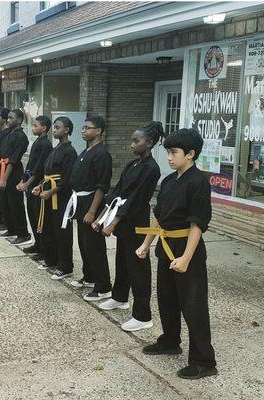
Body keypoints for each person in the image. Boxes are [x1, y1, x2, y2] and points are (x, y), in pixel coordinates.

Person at [135, 128, 217, 380]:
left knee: (193, 305)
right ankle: (170, 340)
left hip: (186, 250)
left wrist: (186, 258)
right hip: (166, 247)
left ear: (190, 154)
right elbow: (159, 217)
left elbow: (197, 225)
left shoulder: (198, 182)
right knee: (167, 300)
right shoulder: (169, 181)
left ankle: (204, 360)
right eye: (168, 152)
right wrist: (146, 243)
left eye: (174, 152)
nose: (169, 157)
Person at [92, 122, 163, 331]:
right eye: (132, 140)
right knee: (122, 262)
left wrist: (112, 224)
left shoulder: (151, 169)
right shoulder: (133, 165)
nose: (132, 144)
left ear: (149, 143)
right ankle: (119, 297)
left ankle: (143, 316)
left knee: (138, 270)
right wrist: (101, 217)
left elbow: (135, 200)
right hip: (123, 223)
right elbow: (117, 193)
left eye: (136, 140)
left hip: (136, 224)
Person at [65, 116, 112, 299]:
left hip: (92, 202)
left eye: (87, 128)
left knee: (94, 246)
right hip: (80, 200)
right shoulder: (86, 151)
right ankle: (90, 276)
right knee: (84, 244)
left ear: (98, 130)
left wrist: (92, 211)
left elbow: (101, 185)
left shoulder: (101, 154)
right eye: (83, 127)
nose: (83, 130)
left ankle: (103, 286)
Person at [32, 116, 77, 280]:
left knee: (62, 231)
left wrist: (51, 191)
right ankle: (51, 259)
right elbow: (48, 174)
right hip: (49, 192)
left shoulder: (70, 151)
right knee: (49, 228)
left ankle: (65, 266)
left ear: (66, 130)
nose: (55, 130)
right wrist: (40, 185)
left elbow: (67, 177)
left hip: (62, 197)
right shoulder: (56, 148)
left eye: (58, 127)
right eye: (55, 127)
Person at [16, 115, 53, 257]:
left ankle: (43, 248)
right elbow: (30, 165)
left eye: (36, 125)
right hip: (31, 184)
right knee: (32, 215)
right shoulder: (38, 141)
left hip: (38, 186)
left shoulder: (45, 144)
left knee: (39, 218)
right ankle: (37, 244)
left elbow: (38, 169)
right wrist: (22, 181)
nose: (33, 128)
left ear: (44, 128)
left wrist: (27, 184)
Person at [0, 109, 30, 244]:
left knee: (15, 204)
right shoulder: (8, 133)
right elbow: (0, 155)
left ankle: (23, 233)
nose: (8, 120)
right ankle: (11, 228)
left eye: (11, 118)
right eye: (7, 118)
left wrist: (4, 179)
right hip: (3, 169)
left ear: (19, 120)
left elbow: (13, 159)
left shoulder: (21, 137)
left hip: (13, 173)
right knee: (5, 202)